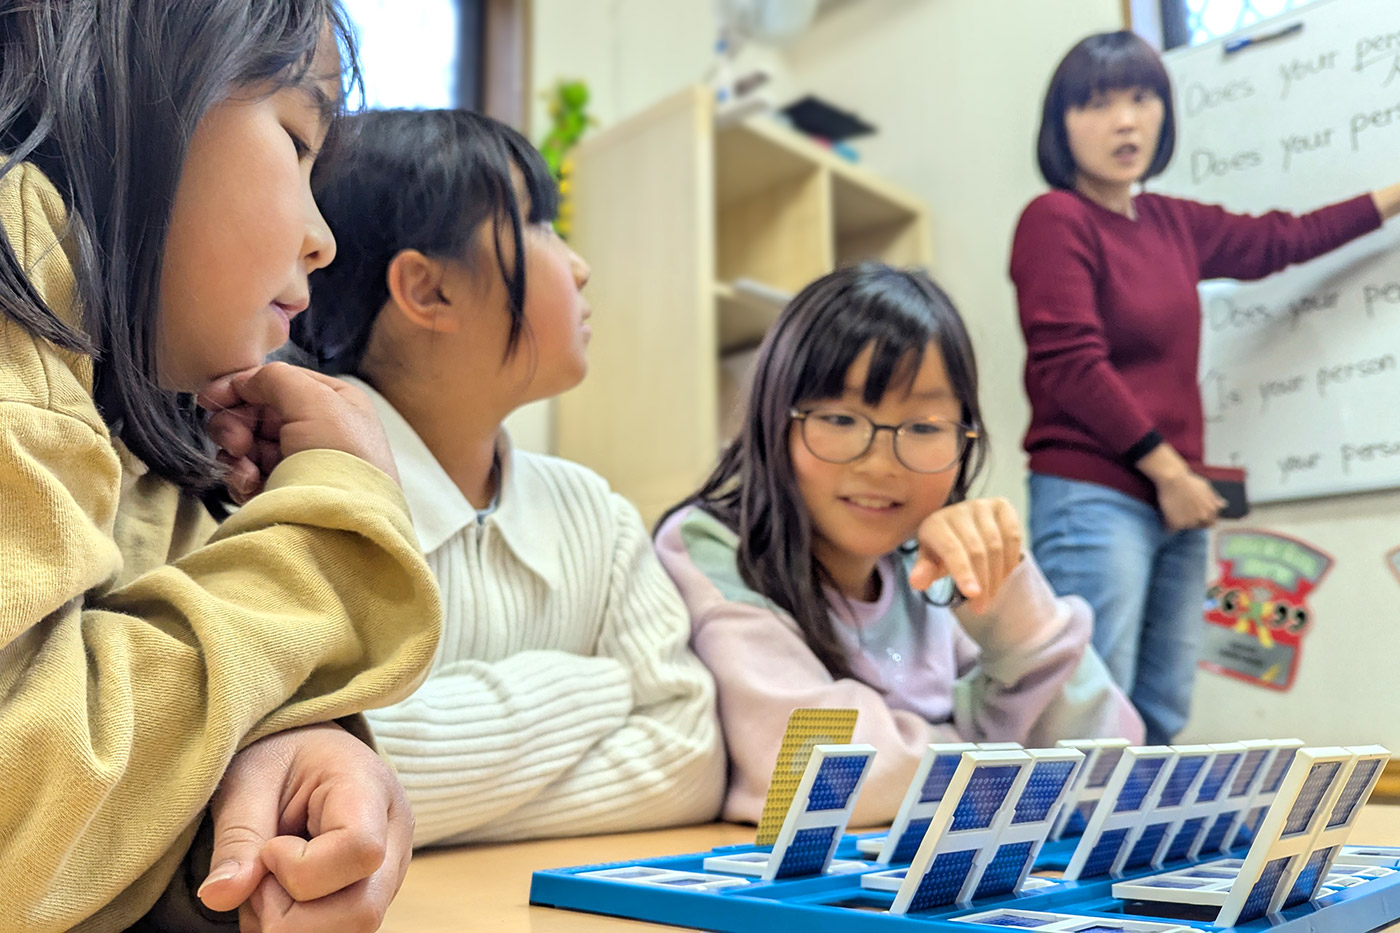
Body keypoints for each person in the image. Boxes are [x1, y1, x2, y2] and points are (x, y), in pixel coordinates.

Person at [0, 4, 442, 930]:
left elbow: (130, 755)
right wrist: (332, 529)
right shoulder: (15, 242)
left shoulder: (158, 419)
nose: (322, 238)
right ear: (141, 90)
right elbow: (26, 821)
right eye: (296, 141)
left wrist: (299, 754)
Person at [292, 108, 724, 846]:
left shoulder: (596, 512)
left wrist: (415, 803)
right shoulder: (299, 497)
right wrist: (595, 688)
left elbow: (690, 758)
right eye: (539, 225)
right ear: (427, 291)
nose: (579, 265)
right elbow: (303, 791)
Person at [1013, 30, 1400, 745]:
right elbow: (1070, 361)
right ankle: (1060, 859)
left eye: (1141, 98)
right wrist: (1167, 469)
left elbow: (1284, 239)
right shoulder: (1055, 220)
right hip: (1095, 497)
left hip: (1175, 499)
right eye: (1098, 104)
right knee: (1088, 719)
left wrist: (1391, 198)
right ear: (1061, 125)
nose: (1126, 120)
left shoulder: (1170, 223)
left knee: (1161, 713)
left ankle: (1142, 856)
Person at [655, 263, 1141, 827]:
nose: (881, 464)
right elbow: (809, 777)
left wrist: (1010, 598)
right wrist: (1004, 757)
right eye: (838, 418)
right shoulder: (712, 547)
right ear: (773, 420)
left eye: (925, 427)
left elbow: (1115, 768)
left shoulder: (925, 565)